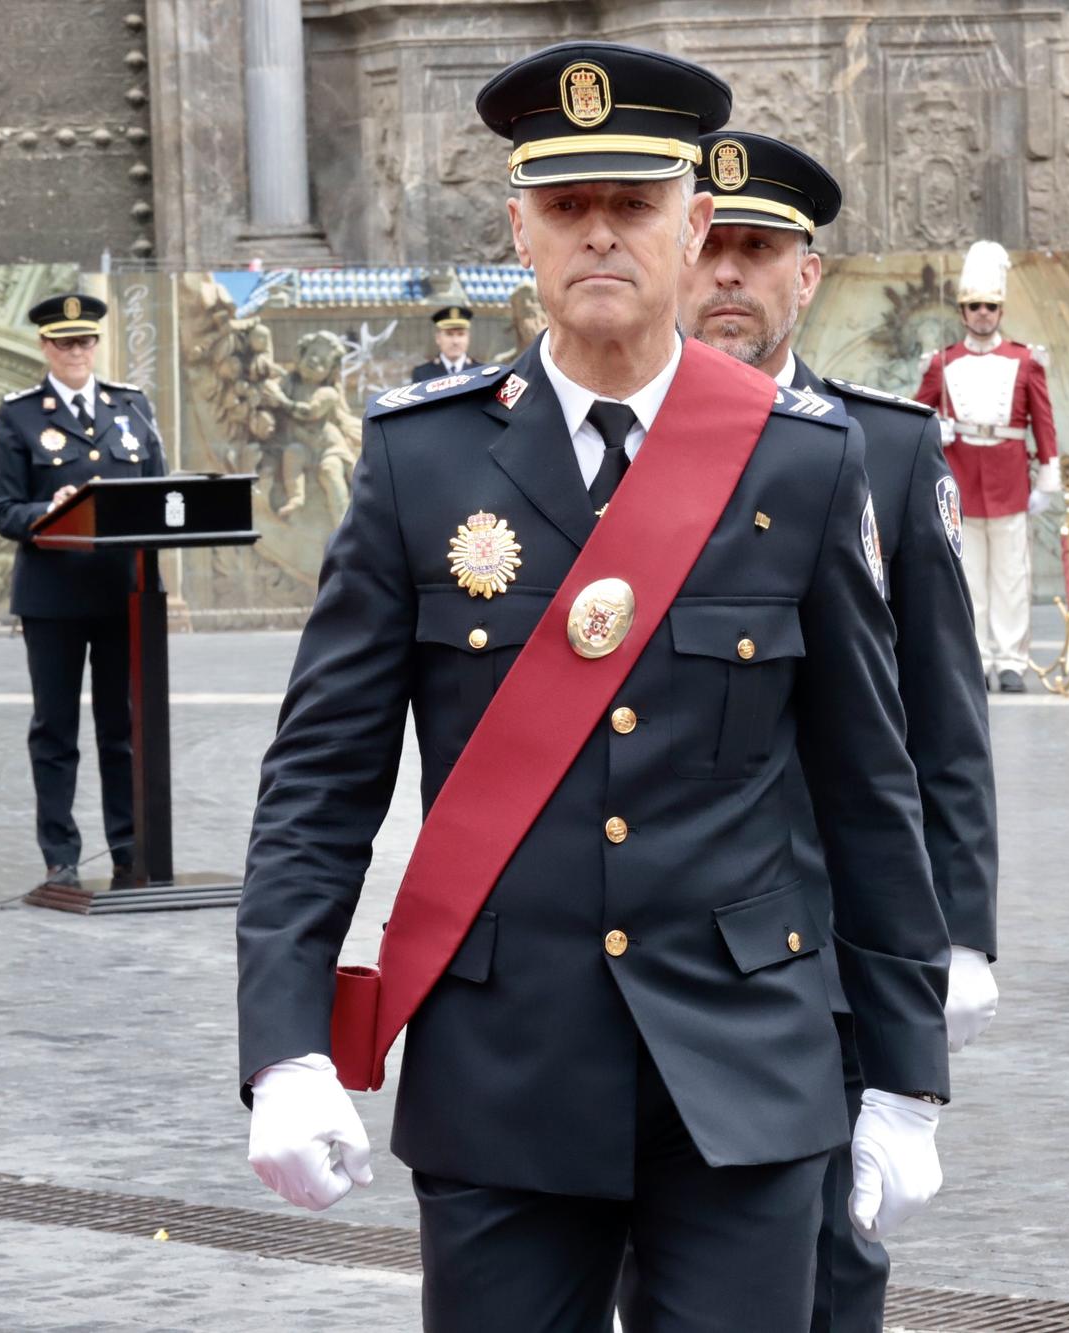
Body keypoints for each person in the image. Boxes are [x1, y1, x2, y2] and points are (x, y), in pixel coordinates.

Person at [237, 42, 953, 1333]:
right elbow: (321, 783)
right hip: (505, 1069)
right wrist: (287, 1047)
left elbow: (867, 781)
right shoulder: (422, 463)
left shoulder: (801, 462)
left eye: (635, 206)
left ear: (694, 228)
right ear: (521, 229)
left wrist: (904, 1071)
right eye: (569, 209)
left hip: (743, 1064)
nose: (602, 236)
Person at [651, 129, 997, 1333]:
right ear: (674, 254)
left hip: (836, 939)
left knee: (831, 1272)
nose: (731, 277)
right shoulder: (603, 450)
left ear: (808, 276)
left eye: (762, 252)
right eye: (714, 248)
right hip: (660, 937)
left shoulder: (884, 449)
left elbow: (938, 724)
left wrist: (957, 936)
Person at [0, 293, 167, 893]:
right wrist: (50, 511)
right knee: (55, 729)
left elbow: (160, 496)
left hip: (125, 593)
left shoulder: (131, 409)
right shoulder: (20, 416)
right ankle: (60, 856)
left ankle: (127, 849)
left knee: (123, 728)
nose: (76, 352)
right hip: (53, 596)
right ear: (45, 347)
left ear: (96, 345)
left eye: (85, 342)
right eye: (64, 343)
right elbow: (5, 510)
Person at [913, 241, 1059, 693]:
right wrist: (937, 428)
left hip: (1010, 476)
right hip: (960, 479)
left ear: (1000, 310)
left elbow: (1043, 421)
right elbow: (916, 417)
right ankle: (975, 658)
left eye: (990, 306)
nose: (982, 314)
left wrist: (1048, 475)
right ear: (962, 311)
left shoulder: (1025, 360)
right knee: (968, 577)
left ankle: (1011, 660)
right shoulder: (941, 362)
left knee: (1012, 576)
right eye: (974, 306)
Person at [410, 305, 479, 382]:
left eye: (461, 334)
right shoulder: (422, 374)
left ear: (468, 338)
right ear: (438, 338)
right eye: (449, 334)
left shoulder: (481, 372)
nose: (455, 341)